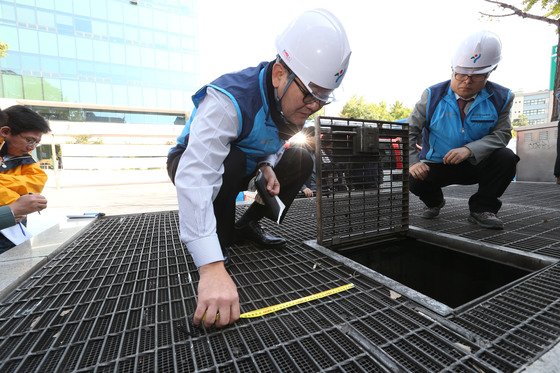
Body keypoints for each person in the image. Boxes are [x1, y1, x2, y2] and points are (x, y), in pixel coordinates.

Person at [166, 8, 351, 328]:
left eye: (322, 100)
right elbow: (196, 175)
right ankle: (219, 242)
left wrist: (268, 167)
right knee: (231, 160)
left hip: (247, 166)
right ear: (280, 73)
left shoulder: (292, 105)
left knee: (302, 159)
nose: (313, 107)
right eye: (309, 95)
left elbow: (274, 144)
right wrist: (210, 268)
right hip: (192, 163)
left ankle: (247, 225)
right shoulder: (229, 99)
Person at [409, 30, 519, 230]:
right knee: (413, 178)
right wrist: (413, 162)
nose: (467, 81)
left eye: (476, 76)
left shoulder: (502, 97)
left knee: (506, 157)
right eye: (460, 74)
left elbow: (502, 133)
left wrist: (470, 149)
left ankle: (482, 209)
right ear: (452, 70)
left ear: (489, 73)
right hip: (438, 164)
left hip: (477, 163)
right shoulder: (432, 95)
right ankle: (435, 202)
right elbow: (409, 130)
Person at [0, 105, 51, 250]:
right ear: (5, 132)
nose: (32, 147)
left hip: (15, 236)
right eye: (29, 140)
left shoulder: (24, 160)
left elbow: (37, 181)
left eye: (36, 142)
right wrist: (16, 204)